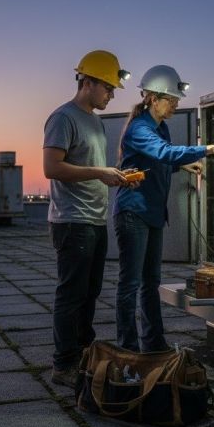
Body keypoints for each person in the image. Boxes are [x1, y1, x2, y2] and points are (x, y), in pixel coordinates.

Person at [113, 65, 214, 352]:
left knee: (150, 282)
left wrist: (182, 165)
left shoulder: (161, 126)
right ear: (154, 99)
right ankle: (128, 350)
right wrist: (209, 149)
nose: (176, 104)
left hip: (152, 214)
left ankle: (154, 345)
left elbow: (160, 161)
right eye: (172, 99)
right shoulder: (140, 128)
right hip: (133, 213)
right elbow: (163, 152)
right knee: (130, 284)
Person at [43, 50, 131, 387]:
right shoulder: (63, 118)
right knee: (71, 295)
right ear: (88, 82)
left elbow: (88, 168)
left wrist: (113, 175)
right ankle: (63, 365)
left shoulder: (94, 120)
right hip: (72, 221)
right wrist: (99, 171)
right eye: (107, 88)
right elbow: (51, 168)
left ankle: (82, 355)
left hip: (94, 220)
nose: (111, 94)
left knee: (90, 293)